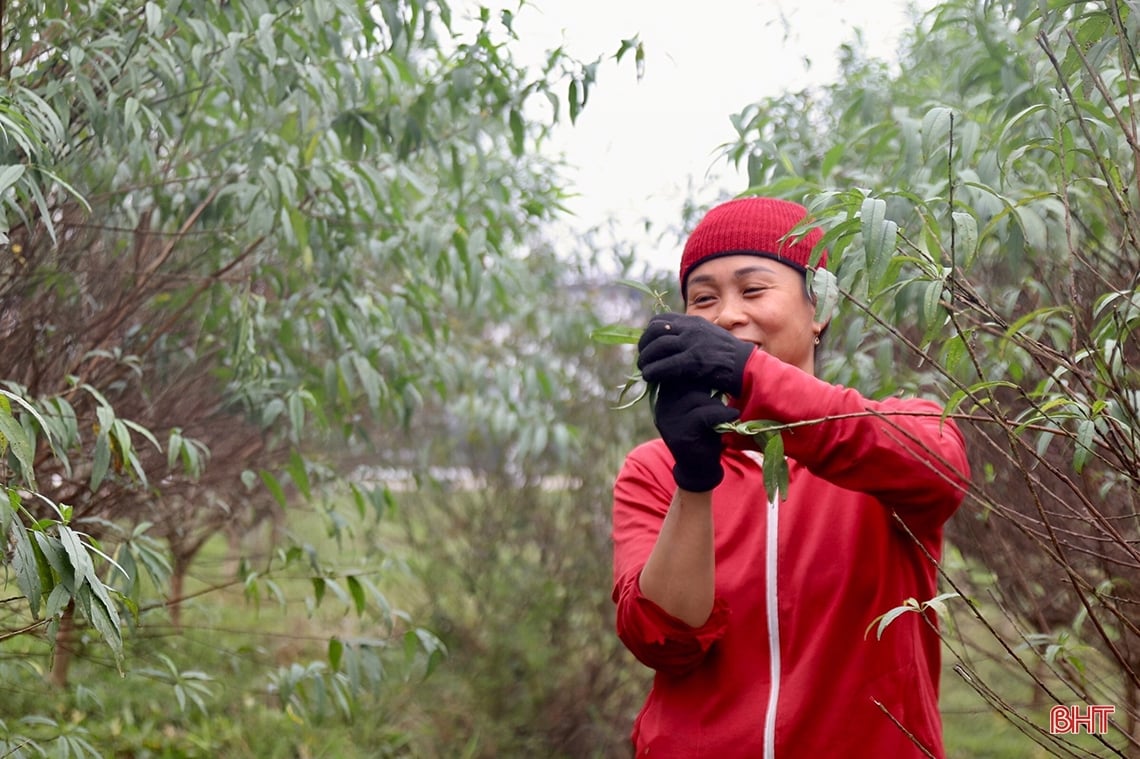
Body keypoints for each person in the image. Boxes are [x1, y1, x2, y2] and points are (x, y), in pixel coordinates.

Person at [611, 196, 971, 758]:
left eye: (754, 291)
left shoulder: (886, 435)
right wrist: (694, 477)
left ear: (819, 308)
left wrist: (752, 376)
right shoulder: (653, 470)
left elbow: (939, 470)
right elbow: (663, 642)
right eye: (703, 300)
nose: (728, 316)